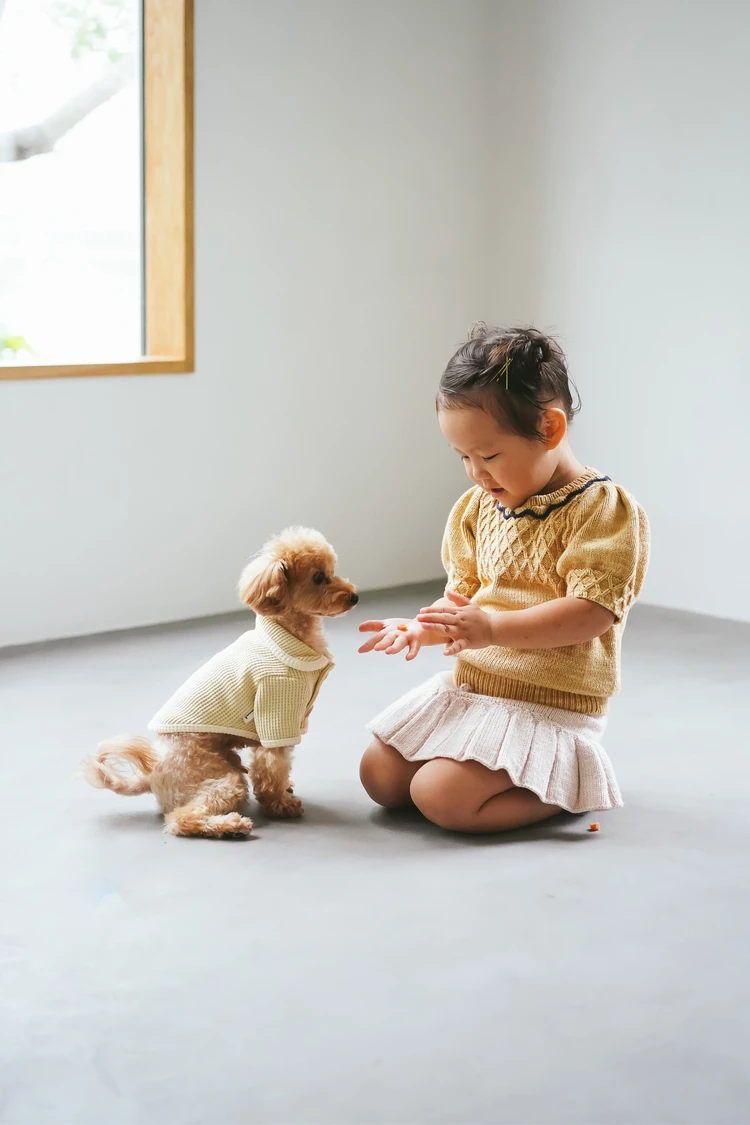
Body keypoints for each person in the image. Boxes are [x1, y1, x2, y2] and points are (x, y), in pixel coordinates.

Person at [358, 324, 649, 833]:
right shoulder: (478, 508)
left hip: (546, 705)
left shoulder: (602, 511)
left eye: (488, 456)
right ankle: (484, 771)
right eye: (463, 457)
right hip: (476, 688)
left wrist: (491, 629)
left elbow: (591, 614)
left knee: (440, 797)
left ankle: (567, 786)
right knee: (379, 774)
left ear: (550, 430)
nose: (475, 472)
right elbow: (464, 600)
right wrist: (424, 628)